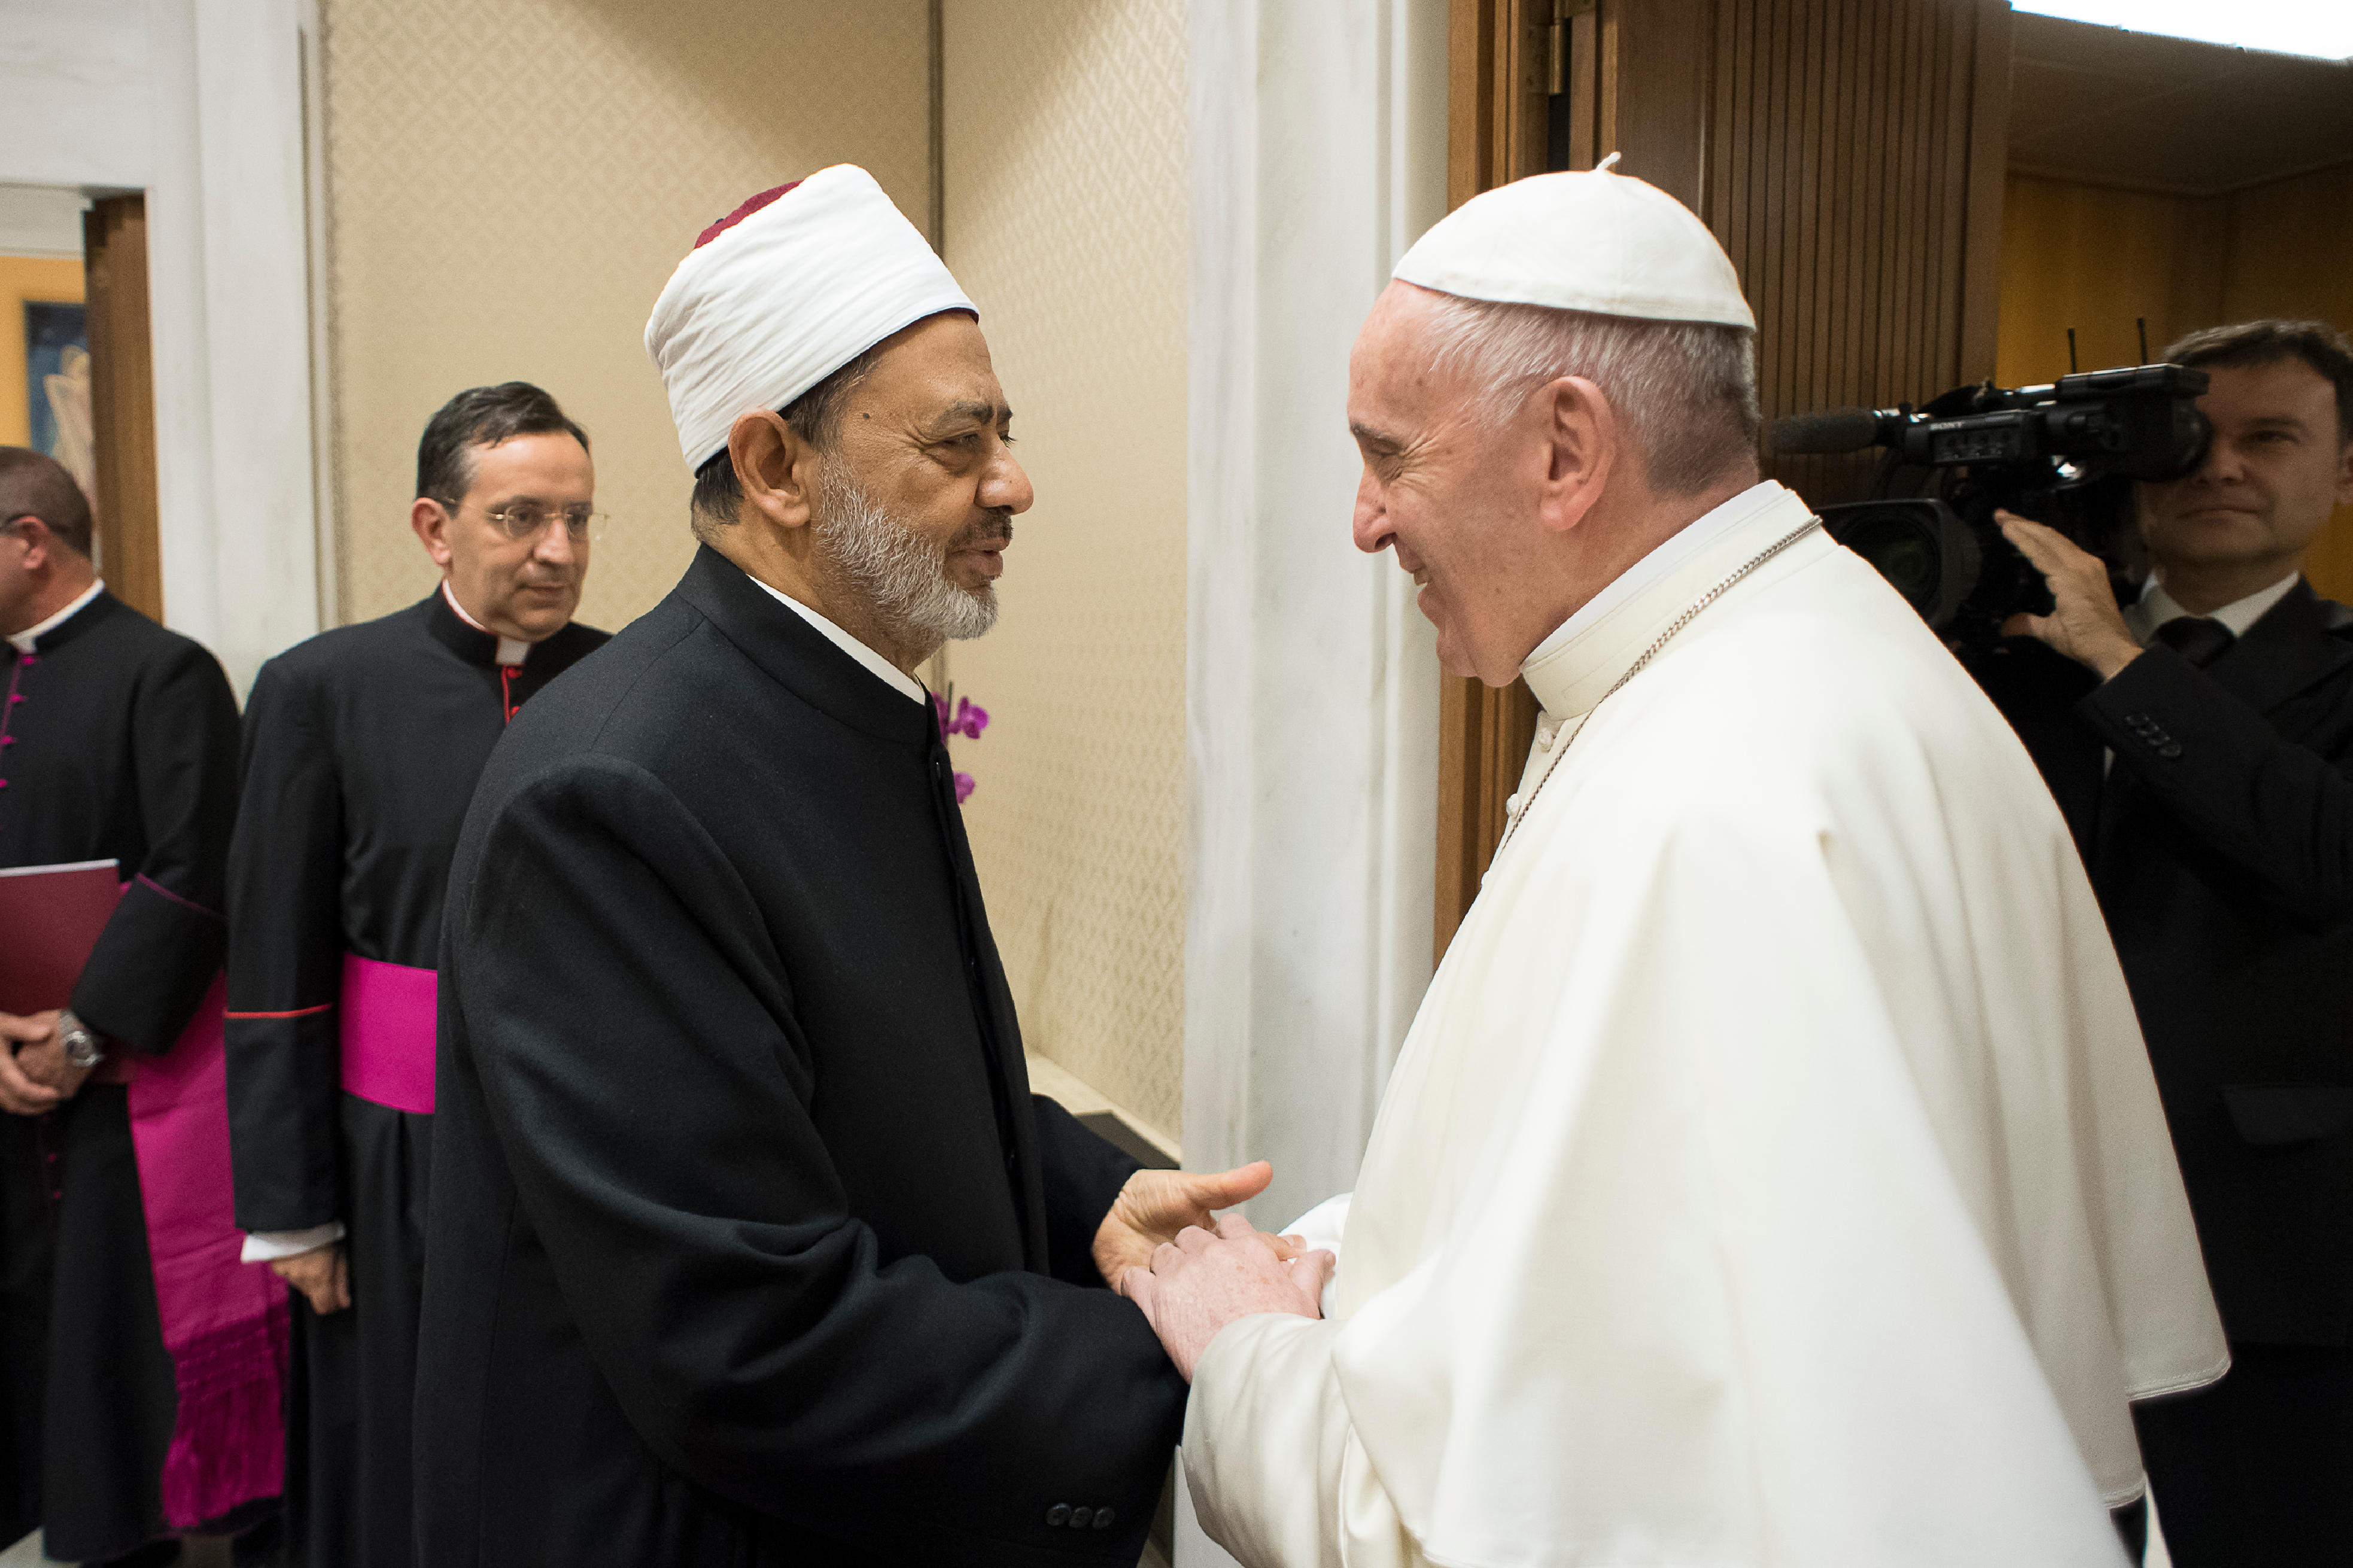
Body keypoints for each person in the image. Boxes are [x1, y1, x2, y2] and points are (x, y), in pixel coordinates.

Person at [1126, 168, 2231, 1568]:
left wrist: (1250, 1356)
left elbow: (1568, 1520)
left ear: (1565, 449)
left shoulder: (1714, 800)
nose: (1365, 519)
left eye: (1390, 456)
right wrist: (1367, 1250)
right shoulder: (1812, 653)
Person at [414, 165, 1288, 1567]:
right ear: (776, 468)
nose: (1013, 483)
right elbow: (743, 1338)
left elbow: (875, 1091)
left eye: (1003, 432)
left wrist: (1089, 1202)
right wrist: (1194, 1348)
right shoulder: (612, 793)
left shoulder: (840, 701)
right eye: (958, 442)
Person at [1975, 319, 2353, 1567]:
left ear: (2343, 471)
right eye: (2188, 438)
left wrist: (2119, 658)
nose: (2220, 466)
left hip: (2266, 1253)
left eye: (2270, 438)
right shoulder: (2019, 660)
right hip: (2028, 1221)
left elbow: (2322, 849)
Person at [223, 383, 609, 1568]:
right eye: (521, 517)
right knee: (403, 1441)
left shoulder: (629, 679)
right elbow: (273, 963)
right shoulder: (319, 690)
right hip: (396, 1157)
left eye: (579, 518)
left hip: (591, 1147)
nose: (559, 550)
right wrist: (292, 1210)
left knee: (573, 1440)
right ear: (434, 528)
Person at [0, 449, 260, 1566]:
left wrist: (78, 1032)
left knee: (110, 1344)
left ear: (30, 542)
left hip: (126, 1084)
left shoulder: (165, 672)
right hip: (9, 1083)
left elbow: (195, 868)